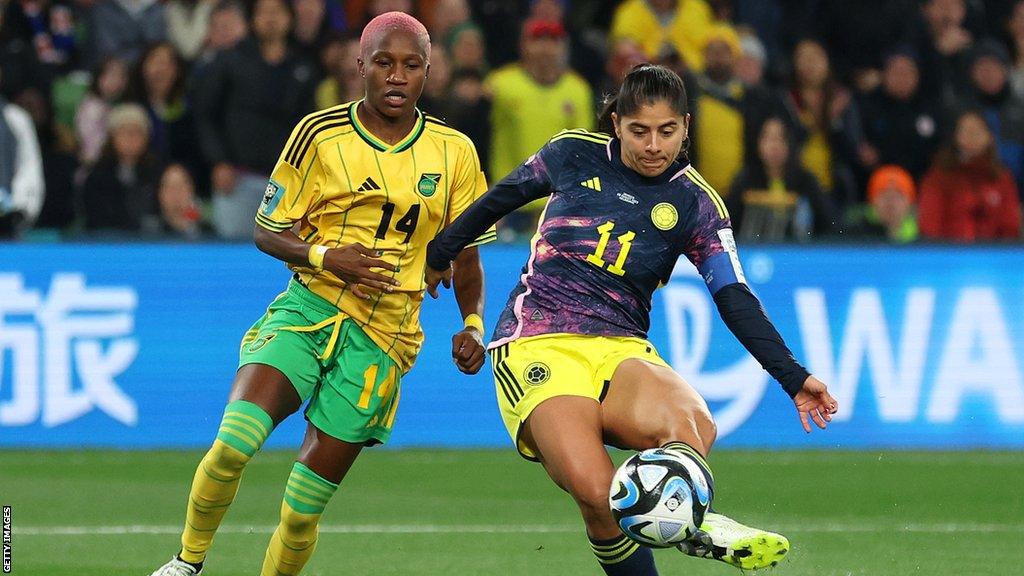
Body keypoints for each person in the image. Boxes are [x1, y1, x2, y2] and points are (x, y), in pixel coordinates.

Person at [425, 64, 839, 575]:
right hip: (536, 341)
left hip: (621, 348)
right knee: (600, 498)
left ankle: (680, 517)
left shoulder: (696, 203)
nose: (653, 145)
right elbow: (499, 199)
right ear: (616, 122)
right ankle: (681, 518)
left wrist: (793, 378)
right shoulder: (572, 153)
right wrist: (442, 249)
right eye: (639, 131)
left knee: (694, 424)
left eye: (667, 131)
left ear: (686, 126)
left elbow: (735, 298)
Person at [149, 11, 494, 576]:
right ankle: (187, 563)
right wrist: (328, 257)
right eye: (383, 62)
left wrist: (473, 325)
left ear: (428, 74)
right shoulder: (319, 134)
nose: (396, 76)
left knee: (302, 512)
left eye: (410, 66)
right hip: (311, 307)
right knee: (234, 444)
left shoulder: (455, 152)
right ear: (359, 65)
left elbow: (469, 256)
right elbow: (266, 229)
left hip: (384, 339)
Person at [918, 109, 1021, 241]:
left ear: (990, 137)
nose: (971, 135)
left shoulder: (1002, 178)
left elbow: (1010, 227)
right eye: (966, 130)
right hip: (948, 255)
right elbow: (930, 225)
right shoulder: (938, 178)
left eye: (977, 131)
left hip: (993, 256)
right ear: (956, 136)